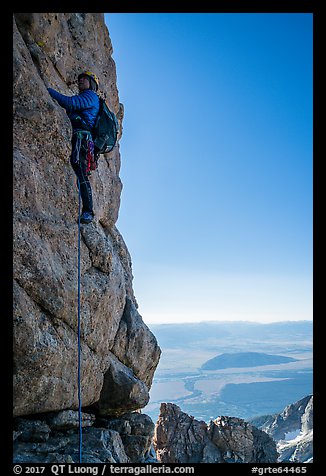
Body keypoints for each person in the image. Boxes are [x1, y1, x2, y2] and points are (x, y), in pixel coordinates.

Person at [47, 71, 100, 224]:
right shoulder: (87, 97)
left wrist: (50, 92)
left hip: (82, 138)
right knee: (79, 171)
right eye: (80, 79)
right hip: (80, 137)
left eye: (85, 79)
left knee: (80, 171)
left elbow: (70, 103)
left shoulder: (91, 96)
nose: (81, 81)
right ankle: (87, 210)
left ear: (92, 84)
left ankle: (88, 211)